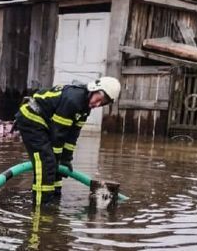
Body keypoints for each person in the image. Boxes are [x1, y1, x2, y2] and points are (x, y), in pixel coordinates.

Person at [13, 76, 121, 205]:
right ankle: (42, 208)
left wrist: (65, 159)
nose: (97, 105)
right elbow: (58, 136)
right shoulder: (73, 100)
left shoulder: (85, 108)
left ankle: (55, 200)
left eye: (102, 104)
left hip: (46, 123)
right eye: (99, 100)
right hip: (31, 119)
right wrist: (57, 159)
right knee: (46, 162)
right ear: (95, 89)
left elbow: (72, 136)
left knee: (56, 165)